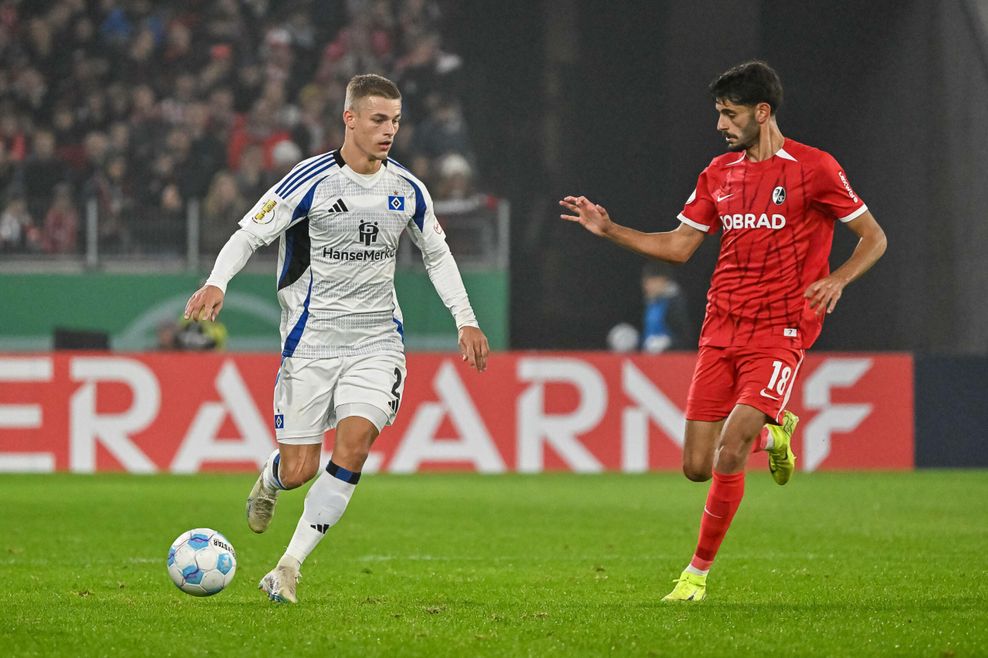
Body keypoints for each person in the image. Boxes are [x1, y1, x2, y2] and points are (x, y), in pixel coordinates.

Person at [559, 60, 887, 602]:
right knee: (695, 467)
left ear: (763, 112)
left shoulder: (815, 168)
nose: (720, 124)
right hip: (721, 327)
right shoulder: (719, 173)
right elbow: (678, 247)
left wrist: (839, 279)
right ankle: (774, 430)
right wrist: (608, 228)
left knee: (731, 450)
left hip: (780, 328)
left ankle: (696, 574)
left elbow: (873, 237)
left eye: (729, 113)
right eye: (718, 113)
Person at [184, 73, 489, 604]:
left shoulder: (407, 189)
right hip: (311, 343)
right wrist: (217, 280)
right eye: (377, 119)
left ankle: (288, 567)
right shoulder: (308, 181)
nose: (388, 130)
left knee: (355, 443)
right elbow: (249, 233)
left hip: (377, 342)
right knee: (300, 468)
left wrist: (465, 319)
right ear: (349, 118)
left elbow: (437, 254)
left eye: (395, 120)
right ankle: (271, 479)